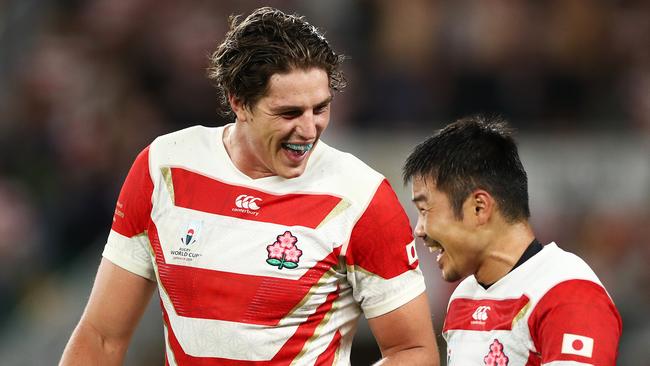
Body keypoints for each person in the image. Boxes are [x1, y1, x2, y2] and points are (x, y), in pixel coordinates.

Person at [60, 7, 440, 366]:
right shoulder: (163, 167)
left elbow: (414, 350)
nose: (308, 130)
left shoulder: (361, 196)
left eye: (320, 108)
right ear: (238, 102)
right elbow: (101, 336)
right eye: (289, 113)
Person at [402, 116, 621, 365]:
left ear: (479, 207)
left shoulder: (568, 293)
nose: (419, 230)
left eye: (425, 210)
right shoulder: (463, 297)